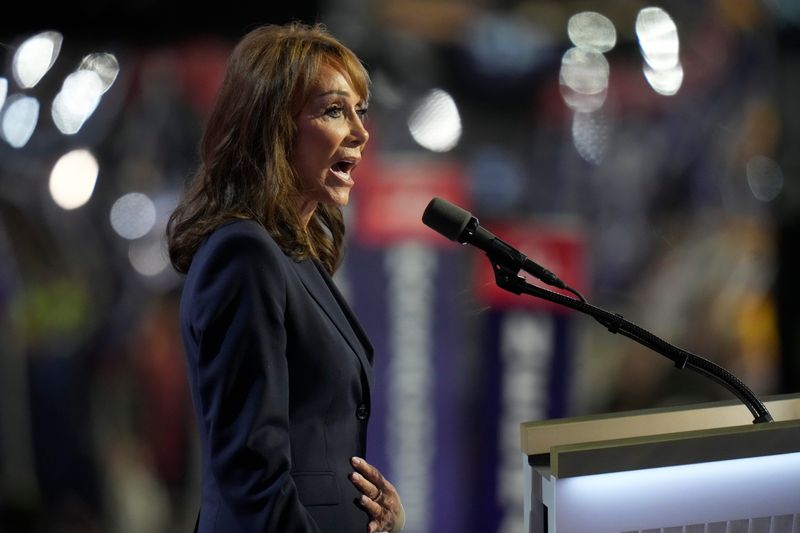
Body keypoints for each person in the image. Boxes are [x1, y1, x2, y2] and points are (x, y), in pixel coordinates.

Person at [166, 22, 404, 533]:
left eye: (361, 112)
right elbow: (253, 476)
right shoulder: (243, 254)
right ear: (273, 125)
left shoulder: (292, 254)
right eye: (335, 110)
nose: (361, 133)